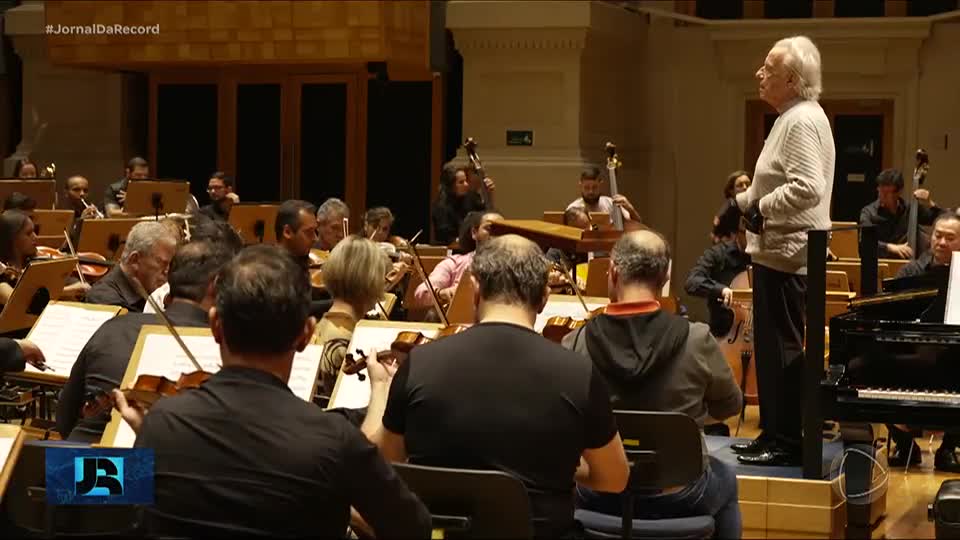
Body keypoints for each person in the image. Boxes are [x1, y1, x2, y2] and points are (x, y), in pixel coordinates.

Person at [113, 245, 431, 538]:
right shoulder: (335, 440)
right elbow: (415, 529)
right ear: (306, 334)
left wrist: (148, 443)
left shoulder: (162, 423)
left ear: (215, 326)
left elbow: (85, 484)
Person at [366, 234, 629, 537]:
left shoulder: (419, 363)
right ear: (544, 297)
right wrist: (561, 466)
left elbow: (384, 462)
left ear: (475, 289)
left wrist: (380, 389)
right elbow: (614, 479)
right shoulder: (578, 373)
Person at [562, 230, 742, 539]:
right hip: (680, 493)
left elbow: (566, 419)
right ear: (666, 277)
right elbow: (731, 405)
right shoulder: (697, 339)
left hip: (599, 492)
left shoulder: (575, 342)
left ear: (613, 272)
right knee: (725, 475)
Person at [717, 35, 835, 466]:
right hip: (778, 253)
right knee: (770, 350)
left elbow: (807, 188)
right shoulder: (793, 116)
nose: (759, 74)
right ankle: (774, 432)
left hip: (788, 255)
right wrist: (739, 204)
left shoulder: (801, 120)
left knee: (782, 350)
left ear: (792, 79)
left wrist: (760, 208)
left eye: (768, 68)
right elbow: (777, 180)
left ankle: (785, 441)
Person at [56, 240, 238, 442]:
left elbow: (63, 420)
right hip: (154, 458)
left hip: (79, 458)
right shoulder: (223, 345)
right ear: (215, 286)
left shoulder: (114, 325)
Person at [885, 210, 960, 472]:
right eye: (938, 236)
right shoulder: (911, 272)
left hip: (954, 354)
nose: (942, 242)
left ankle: (948, 448)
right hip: (915, 350)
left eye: (950, 238)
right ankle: (905, 445)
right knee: (866, 368)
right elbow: (891, 314)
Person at [314, 236, 390, 396]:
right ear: (369, 280)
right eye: (381, 277)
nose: (383, 284)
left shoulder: (322, 326)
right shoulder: (348, 340)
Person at [413, 210, 502, 308]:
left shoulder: (511, 266)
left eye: (502, 230)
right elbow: (422, 292)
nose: (496, 234)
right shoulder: (453, 263)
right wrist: (441, 293)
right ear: (474, 232)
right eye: (489, 228)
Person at [84, 221, 177, 312]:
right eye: (162, 263)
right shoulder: (104, 299)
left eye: (171, 264)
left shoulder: (155, 293)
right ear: (134, 260)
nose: (167, 271)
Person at [0, 210, 88, 304]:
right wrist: (68, 291)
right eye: (28, 233)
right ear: (12, 239)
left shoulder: (32, 264)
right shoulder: (3, 276)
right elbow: (19, 301)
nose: (35, 237)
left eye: (34, 231)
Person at [685, 211, 751, 337]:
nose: (753, 240)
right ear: (737, 233)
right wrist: (722, 290)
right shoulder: (718, 254)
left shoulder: (763, 259)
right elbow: (692, 282)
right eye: (748, 235)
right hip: (723, 334)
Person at [859, 168, 941, 259]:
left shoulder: (910, 209)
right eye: (880, 191)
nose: (882, 196)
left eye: (886, 193)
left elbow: (941, 219)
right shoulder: (869, 212)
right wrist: (890, 247)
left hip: (910, 264)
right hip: (880, 264)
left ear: (899, 192)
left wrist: (930, 203)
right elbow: (865, 241)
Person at [431, 164, 495, 245]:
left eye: (466, 181)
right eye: (461, 182)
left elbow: (486, 215)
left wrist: (489, 194)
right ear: (450, 186)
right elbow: (445, 238)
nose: (466, 184)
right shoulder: (441, 206)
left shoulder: (471, 197)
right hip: (452, 249)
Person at [566, 167, 641, 227]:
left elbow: (637, 225)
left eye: (594, 187)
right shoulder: (573, 208)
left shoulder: (611, 203)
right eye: (586, 188)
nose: (590, 192)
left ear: (600, 185)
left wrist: (630, 209)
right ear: (580, 186)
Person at [712, 171, 752, 243]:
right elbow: (716, 236)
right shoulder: (730, 207)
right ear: (732, 191)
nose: (745, 187)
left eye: (748, 184)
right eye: (740, 185)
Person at [62, 175, 101, 248]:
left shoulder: (90, 213)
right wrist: (80, 223)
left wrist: (99, 224)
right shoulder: (60, 214)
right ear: (66, 192)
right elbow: (63, 246)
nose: (82, 194)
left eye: (85, 191)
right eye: (76, 190)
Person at [275, 199, 318, 265]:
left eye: (315, 231)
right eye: (309, 232)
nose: (316, 238)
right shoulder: (270, 269)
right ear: (287, 232)